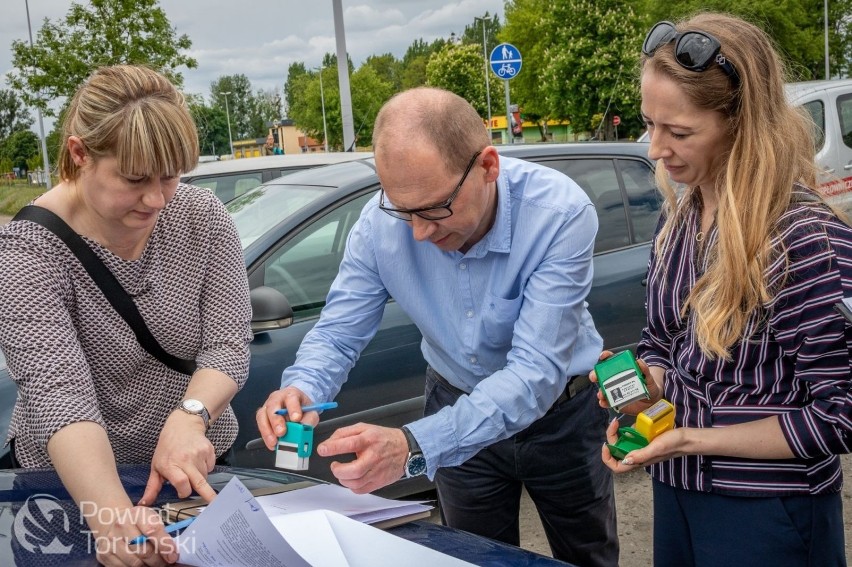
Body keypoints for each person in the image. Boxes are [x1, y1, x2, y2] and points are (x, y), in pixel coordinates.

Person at [258, 87, 618, 566]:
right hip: (456, 402)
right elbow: (339, 333)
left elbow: (535, 374)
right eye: (402, 210)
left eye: (434, 209)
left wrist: (414, 443)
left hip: (562, 418)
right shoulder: (376, 227)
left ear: (488, 166)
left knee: (586, 555)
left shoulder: (559, 214)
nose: (418, 233)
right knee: (470, 557)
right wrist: (302, 387)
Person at [594, 13, 852, 567]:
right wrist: (647, 388)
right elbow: (664, 341)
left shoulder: (804, 237)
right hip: (677, 492)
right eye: (649, 124)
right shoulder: (682, 213)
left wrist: (690, 437)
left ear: (741, 124)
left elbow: (840, 413)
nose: (655, 149)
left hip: (769, 511)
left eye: (680, 132)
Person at [0, 65, 252, 566]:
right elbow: (60, 396)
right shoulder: (26, 252)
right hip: (67, 491)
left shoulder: (202, 218)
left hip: (188, 474)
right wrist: (113, 518)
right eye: (135, 179)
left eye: (171, 176)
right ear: (79, 154)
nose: (156, 199)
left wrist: (191, 417)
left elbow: (227, 344)